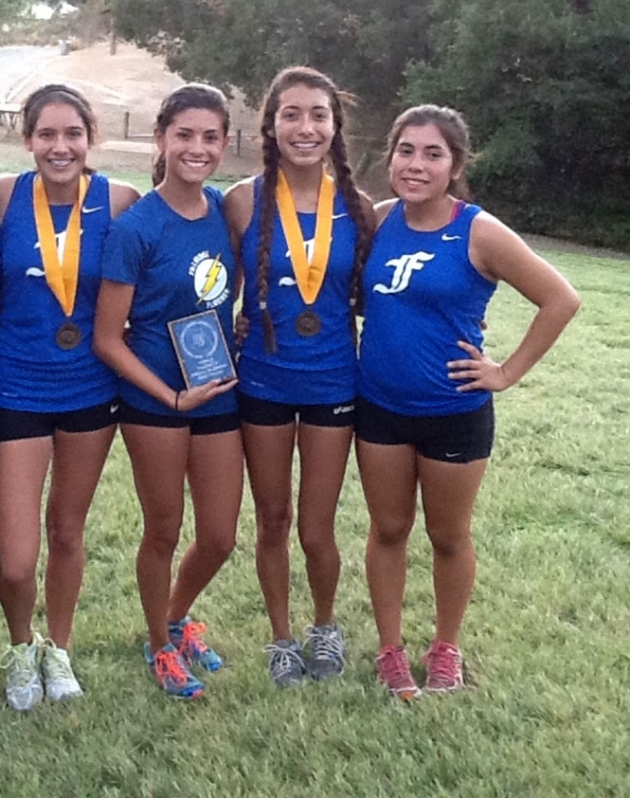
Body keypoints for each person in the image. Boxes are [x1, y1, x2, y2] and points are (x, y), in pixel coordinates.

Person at [355, 104, 580, 699]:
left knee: (448, 536)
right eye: (407, 150)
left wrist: (506, 372)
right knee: (388, 529)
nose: (417, 164)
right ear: (391, 156)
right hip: (378, 407)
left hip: (454, 412)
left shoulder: (478, 230)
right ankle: (390, 651)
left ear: (455, 165)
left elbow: (561, 299)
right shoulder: (375, 222)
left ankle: (446, 648)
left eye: (434, 154)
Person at [0, 84, 140, 711]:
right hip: (15, 388)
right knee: (18, 559)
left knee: (67, 533)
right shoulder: (2, 196)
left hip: (91, 391)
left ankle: (59, 649)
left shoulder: (120, 201)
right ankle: (21, 648)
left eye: (72, 134)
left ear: (90, 138)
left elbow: (168, 264)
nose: (60, 146)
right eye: (46, 134)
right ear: (27, 140)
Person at [223, 66, 374, 688]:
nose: (305, 127)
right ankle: (282, 638)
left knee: (317, 527)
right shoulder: (240, 200)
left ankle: (325, 626)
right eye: (292, 114)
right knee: (273, 519)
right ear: (271, 124)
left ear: (334, 126)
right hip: (261, 383)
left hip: (334, 384)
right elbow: (210, 289)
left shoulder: (360, 207)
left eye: (318, 114)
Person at [94, 83, 243, 700]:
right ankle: (159, 644)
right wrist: (169, 395)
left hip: (219, 391)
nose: (197, 148)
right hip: (157, 401)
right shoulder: (137, 228)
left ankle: (177, 617)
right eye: (185, 135)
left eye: (210, 137)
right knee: (163, 528)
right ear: (160, 140)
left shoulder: (225, 213)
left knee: (219, 536)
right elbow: (108, 338)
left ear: (225, 144)